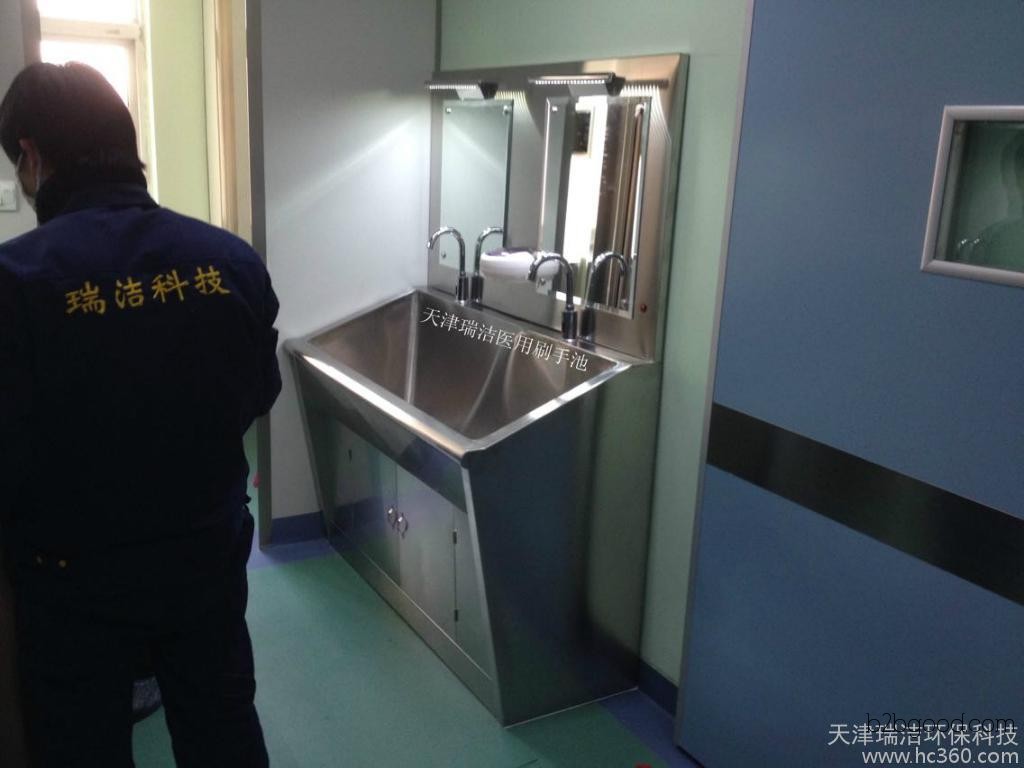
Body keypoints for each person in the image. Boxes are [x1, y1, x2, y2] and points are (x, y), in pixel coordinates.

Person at [0, 61, 280, 766]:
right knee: (222, 728)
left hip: (72, 582)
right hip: (205, 558)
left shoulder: (17, 282)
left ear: (33, 155)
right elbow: (256, 394)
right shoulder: (230, 261)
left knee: (83, 744)